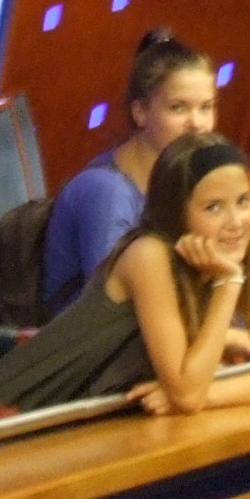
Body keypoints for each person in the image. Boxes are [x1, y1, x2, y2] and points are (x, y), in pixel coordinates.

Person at [0, 133, 250, 415]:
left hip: (94, 421)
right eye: (213, 207)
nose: (236, 222)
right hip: (11, 414)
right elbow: (188, 395)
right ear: (177, 214)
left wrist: (206, 394)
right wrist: (228, 283)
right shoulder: (149, 256)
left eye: (243, 201)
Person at [39, 30, 217, 313]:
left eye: (206, 108)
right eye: (178, 108)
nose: (197, 124)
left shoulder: (183, 181)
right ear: (140, 112)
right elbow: (117, 306)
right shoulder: (108, 193)